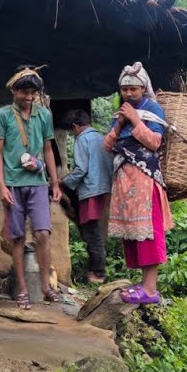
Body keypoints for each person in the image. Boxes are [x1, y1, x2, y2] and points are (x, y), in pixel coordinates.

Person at [103, 63, 174, 304]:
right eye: (124, 89)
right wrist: (120, 123)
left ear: (143, 88)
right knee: (133, 233)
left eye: (133, 89)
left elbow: (154, 142)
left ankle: (150, 290)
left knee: (148, 232)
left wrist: (135, 119)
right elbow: (107, 146)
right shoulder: (120, 113)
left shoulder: (153, 109)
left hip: (145, 179)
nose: (128, 94)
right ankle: (143, 285)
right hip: (124, 180)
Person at [0, 66, 61, 310]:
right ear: (14, 90)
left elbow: (49, 149)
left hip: (38, 183)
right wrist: (2, 186)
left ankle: (45, 286)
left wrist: (55, 182)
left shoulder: (44, 116)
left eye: (33, 93)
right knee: (18, 238)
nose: (29, 97)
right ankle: (22, 289)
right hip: (13, 184)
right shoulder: (2, 116)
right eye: (25, 92)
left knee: (43, 233)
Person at [61, 109, 113, 284]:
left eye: (71, 131)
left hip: (90, 190)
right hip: (104, 189)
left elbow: (81, 169)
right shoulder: (102, 138)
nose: (72, 134)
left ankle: (98, 273)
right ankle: (95, 270)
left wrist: (64, 182)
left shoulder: (82, 139)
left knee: (92, 232)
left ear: (76, 126)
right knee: (95, 230)